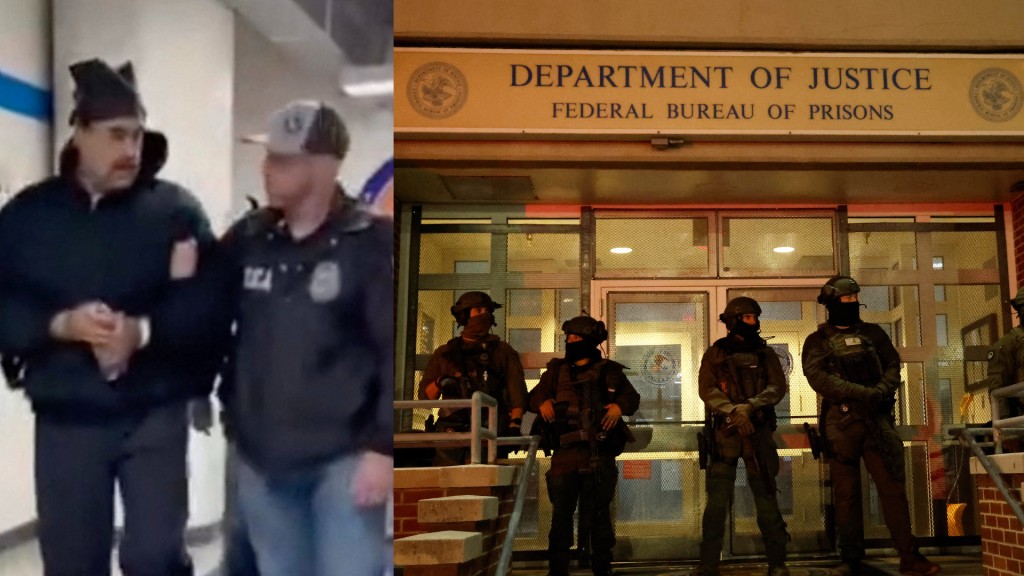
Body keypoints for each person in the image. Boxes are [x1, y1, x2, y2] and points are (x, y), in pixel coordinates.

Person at [0, 58, 225, 575]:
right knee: (73, 560)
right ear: (79, 133)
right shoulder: (29, 217)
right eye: (116, 135)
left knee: (154, 556)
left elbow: (207, 307)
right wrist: (59, 325)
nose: (130, 150)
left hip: (153, 411)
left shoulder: (173, 212)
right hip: (67, 413)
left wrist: (141, 332)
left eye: (138, 135)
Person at [218, 100, 393, 576]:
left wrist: (383, 448)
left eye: (281, 159)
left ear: (321, 166)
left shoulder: (372, 246)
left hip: (344, 459)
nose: (266, 169)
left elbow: (397, 353)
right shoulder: (249, 240)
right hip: (262, 457)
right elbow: (203, 316)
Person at [802, 276, 940, 576]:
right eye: (845, 299)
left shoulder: (873, 333)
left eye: (854, 298)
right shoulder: (818, 341)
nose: (851, 304)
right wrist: (863, 393)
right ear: (831, 304)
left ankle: (909, 556)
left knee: (892, 491)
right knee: (846, 496)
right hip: (842, 425)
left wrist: (880, 391)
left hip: (877, 421)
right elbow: (819, 378)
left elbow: (893, 364)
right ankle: (851, 559)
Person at [529, 316, 640, 576]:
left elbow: (632, 398)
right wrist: (541, 402)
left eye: (576, 338)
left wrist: (618, 407)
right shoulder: (556, 372)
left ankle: (602, 567)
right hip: (565, 455)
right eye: (568, 338)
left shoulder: (610, 371)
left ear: (590, 341)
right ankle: (558, 570)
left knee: (599, 515)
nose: (570, 342)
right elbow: (533, 396)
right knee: (561, 516)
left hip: (598, 454)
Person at [695, 297, 790, 576]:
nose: (754, 322)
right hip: (726, 435)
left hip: (757, 435)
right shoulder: (715, 354)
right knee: (716, 504)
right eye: (748, 318)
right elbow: (707, 390)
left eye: (754, 317)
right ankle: (708, 564)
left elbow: (776, 388)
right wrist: (735, 411)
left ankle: (777, 562)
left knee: (766, 498)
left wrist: (749, 407)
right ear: (735, 320)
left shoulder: (766, 354)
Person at [418, 291, 528, 463]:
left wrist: (514, 425)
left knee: (482, 484)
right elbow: (426, 397)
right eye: (478, 310)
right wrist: (441, 382)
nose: (484, 315)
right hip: (451, 432)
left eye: (487, 311)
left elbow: (517, 393)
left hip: (489, 430)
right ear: (464, 315)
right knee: (448, 483)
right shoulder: (446, 353)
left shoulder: (502, 351)